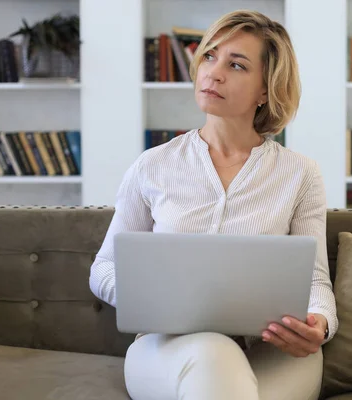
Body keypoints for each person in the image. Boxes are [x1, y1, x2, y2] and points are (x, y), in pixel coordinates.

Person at [89, 9, 338, 400]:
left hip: (273, 352)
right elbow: (103, 268)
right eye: (209, 56)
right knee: (213, 356)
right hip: (167, 348)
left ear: (265, 90)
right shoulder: (153, 166)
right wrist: (150, 296)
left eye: (236, 65)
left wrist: (319, 325)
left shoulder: (300, 174)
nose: (214, 72)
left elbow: (315, 281)